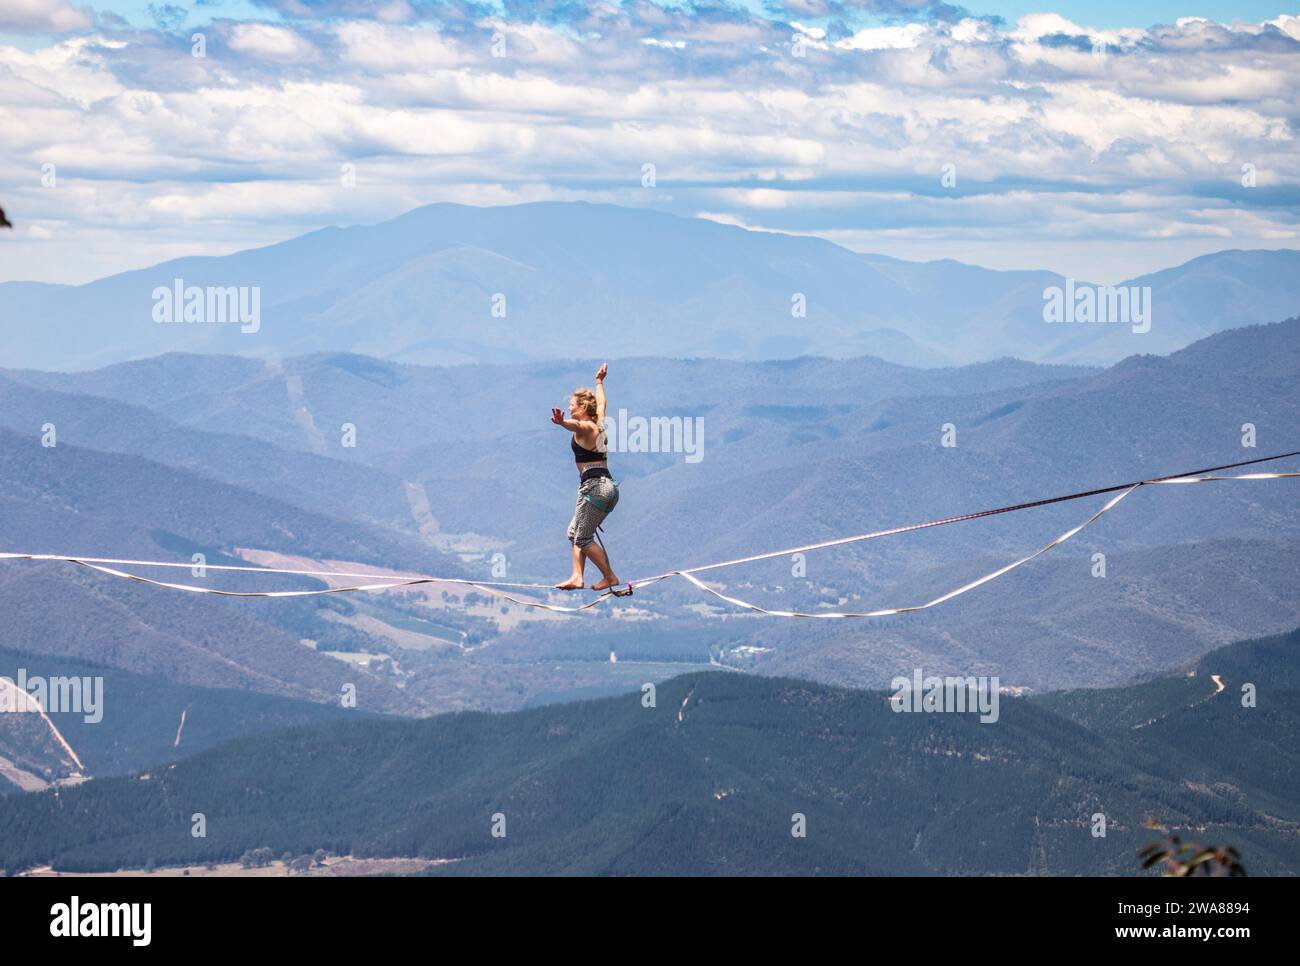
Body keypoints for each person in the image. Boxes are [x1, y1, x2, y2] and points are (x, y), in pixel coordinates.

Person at [551, 362, 623, 591]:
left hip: (595, 488)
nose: (570, 408)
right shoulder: (598, 421)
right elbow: (602, 402)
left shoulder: (586, 427)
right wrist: (599, 382)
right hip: (606, 487)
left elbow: (576, 426)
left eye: (572, 405)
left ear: (582, 406)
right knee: (574, 533)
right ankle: (577, 576)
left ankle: (610, 577)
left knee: (582, 538)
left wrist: (563, 423)